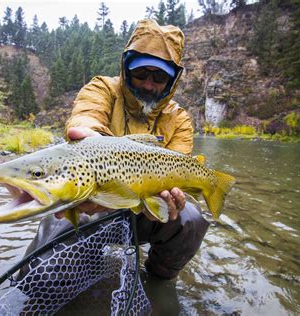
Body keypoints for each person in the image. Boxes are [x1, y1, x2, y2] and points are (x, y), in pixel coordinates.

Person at [25, 19, 209, 282]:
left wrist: (169, 201)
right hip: (91, 200)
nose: (148, 84)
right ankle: (79, 269)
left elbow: (179, 170)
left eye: (159, 77)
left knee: (190, 220)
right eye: (141, 73)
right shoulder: (102, 89)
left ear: (172, 80)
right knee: (41, 273)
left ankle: (158, 280)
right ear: (126, 67)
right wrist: (92, 144)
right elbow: (86, 118)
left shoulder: (179, 119)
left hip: (146, 209)